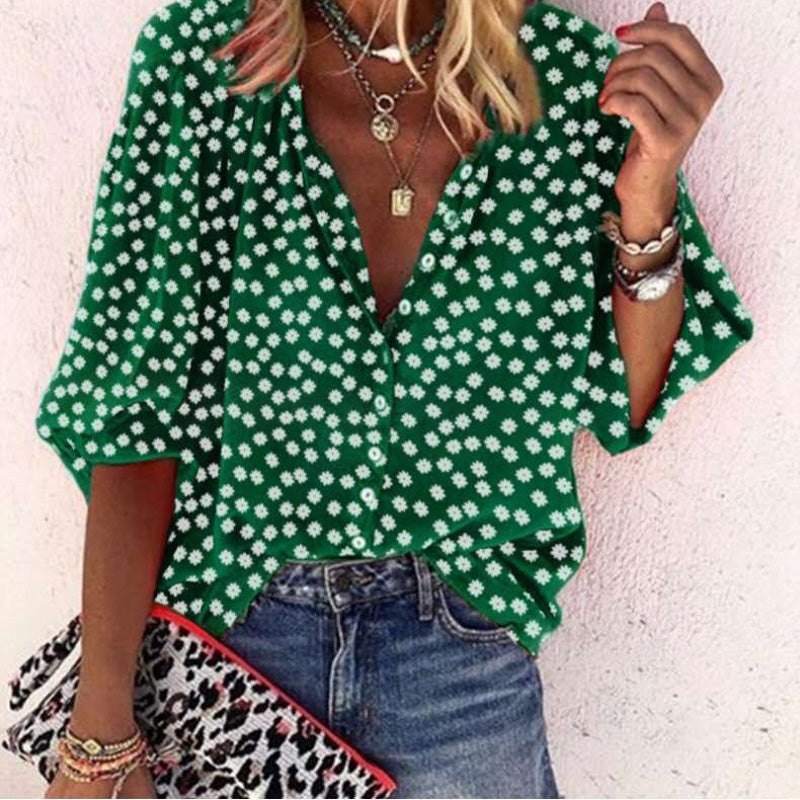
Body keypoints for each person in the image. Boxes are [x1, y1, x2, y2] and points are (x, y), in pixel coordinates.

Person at [37, 0, 753, 796]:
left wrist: (649, 184)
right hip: (235, 656)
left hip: (461, 667)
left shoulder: (571, 80)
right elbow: (133, 416)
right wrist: (98, 738)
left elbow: (628, 397)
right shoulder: (205, 63)